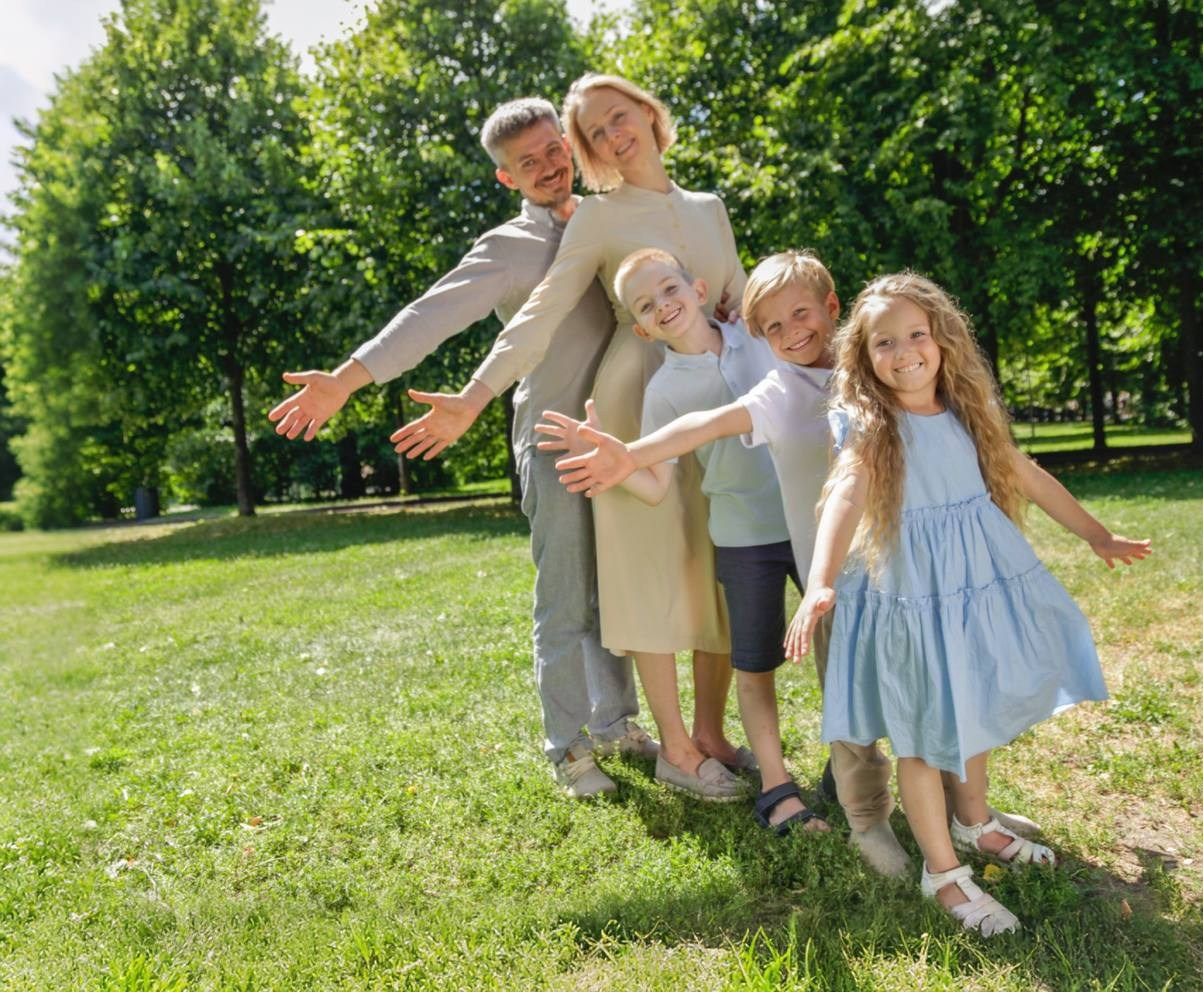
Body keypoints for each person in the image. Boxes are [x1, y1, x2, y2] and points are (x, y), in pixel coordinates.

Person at [265, 98, 657, 799]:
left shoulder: (611, 216)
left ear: (569, 145)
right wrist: (348, 380)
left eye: (550, 150)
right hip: (553, 440)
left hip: (621, 438)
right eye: (525, 163)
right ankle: (568, 748)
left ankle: (616, 721)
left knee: (616, 586)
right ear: (507, 179)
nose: (545, 168)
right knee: (566, 598)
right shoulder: (508, 249)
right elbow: (429, 316)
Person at [388, 73, 753, 799]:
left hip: (702, 401)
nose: (604, 141)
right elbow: (532, 320)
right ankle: (614, 748)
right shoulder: (563, 229)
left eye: (566, 145)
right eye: (593, 135)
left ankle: (668, 729)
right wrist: (471, 395)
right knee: (607, 585)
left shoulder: (694, 208)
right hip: (599, 416)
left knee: (696, 571)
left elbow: (741, 305)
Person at [785, 272, 1151, 935]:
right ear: (863, 358)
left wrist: (1097, 534)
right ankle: (943, 873)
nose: (904, 353)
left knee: (973, 700)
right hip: (910, 595)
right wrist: (820, 579)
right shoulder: (871, 420)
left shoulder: (962, 410)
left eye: (916, 335)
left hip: (969, 587)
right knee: (924, 735)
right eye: (884, 343)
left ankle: (975, 821)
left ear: (943, 338)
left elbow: (1024, 473)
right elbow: (845, 492)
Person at [545, 248, 830, 828]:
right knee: (754, 664)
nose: (663, 305)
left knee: (844, 649)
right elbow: (656, 487)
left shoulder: (759, 338)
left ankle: (850, 764)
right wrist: (616, 461)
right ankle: (778, 788)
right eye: (647, 306)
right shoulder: (665, 390)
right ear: (641, 327)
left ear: (698, 289)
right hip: (742, 536)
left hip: (813, 523)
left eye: (670, 289)